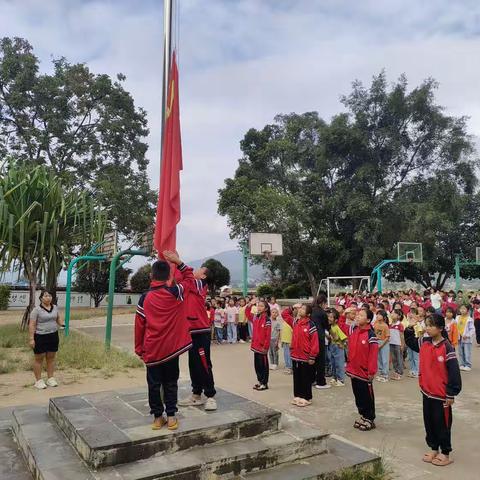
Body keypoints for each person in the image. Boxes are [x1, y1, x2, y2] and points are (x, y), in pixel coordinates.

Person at [134, 251, 194, 431]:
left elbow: (139, 326)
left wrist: (139, 348)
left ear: (151, 276)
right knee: (170, 383)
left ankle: (158, 417)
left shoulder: (145, 298)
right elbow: (190, 280)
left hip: (152, 349)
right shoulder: (176, 292)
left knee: (153, 385)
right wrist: (179, 262)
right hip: (171, 350)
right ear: (169, 275)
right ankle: (172, 416)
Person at [404, 314, 462, 467]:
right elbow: (410, 342)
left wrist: (451, 393)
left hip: (441, 395)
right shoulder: (424, 341)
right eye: (426, 324)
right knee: (429, 422)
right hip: (426, 392)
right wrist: (410, 327)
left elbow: (454, 372)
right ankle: (434, 448)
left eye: (431, 325)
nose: (427, 328)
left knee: (442, 424)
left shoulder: (446, 347)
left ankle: (445, 452)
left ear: (441, 328)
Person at [178, 266, 217, 411]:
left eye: (200, 269)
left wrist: (179, 262)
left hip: (201, 331)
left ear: (203, 276)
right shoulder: (189, 284)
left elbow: (186, 273)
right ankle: (196, 394)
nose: (195, 269)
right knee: (193, 364)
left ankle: (210, 395)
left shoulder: (201, 285)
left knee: (204, 363)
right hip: (191, 331)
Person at [346, 308, 378, 431]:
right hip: (354, 370)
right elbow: (341, 326)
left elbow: (373, 355)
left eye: (361, 315)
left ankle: (370, 418)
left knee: (366, 395)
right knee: (358, 394)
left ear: (368, 320)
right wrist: (345, 315)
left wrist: (371, 372)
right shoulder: (354, 330)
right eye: (357, 315)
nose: (358, 317)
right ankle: (363, 415)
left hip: (364, 372)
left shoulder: (371, 335)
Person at [282, 304, 319, 406]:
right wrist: (291, 307)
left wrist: (312, 356)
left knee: (305, 377)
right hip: (295, 355)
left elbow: (315, 342)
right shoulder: (295, 322)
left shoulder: (311, 325)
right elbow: (284, 314)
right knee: (297, 377)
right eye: (300, 308)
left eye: (303, 309)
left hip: (306, 356)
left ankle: (307, 397)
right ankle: (297, 395)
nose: (300, 310)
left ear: (308, 314)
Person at [29, 290, 63, 389]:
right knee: (39, 358)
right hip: (40, 336)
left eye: (49, 296)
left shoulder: (55, 307)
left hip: (53, 335)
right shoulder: (36, 310)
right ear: (41, 298)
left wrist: (62, 324)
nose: (48, 297)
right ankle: (38, 381)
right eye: (45, 296)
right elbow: (32, 324)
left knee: (51, 358)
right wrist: (31, 339)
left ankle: (50, 378)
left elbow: (58, 318)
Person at [246, 299, 272, 390]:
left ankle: (264, 383)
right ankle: (260, 381)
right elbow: (248, 315)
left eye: (261, 306)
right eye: (258, 305)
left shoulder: (267, 320)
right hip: (255, 346)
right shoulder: (256, 317)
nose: (259, 307)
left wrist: (265, 347)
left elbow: (268, 335)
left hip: (262, 348)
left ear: (265, 309)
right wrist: (249, 305)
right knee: (257, 365)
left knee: (263, 365)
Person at [311, 294, 330, 390]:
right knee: (321, 361)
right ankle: (321, 382)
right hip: (320, 337)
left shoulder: (311, 310)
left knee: (312, 359)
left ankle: (312, 379)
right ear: (322, 303)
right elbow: (326, 325)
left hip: (311, 337)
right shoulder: (322, 313)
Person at [327, 308, 347, 387]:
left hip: (338, 347)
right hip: (332, 346)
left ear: (336, 320)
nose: (329, 318)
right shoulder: (330, 327)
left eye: (331, 317)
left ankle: (340, 379)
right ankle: (334, 378)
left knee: (339, 363)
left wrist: (342, 344)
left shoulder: (336, 327)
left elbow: (344, 337)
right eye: (328, 316)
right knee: (333, 363)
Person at [456, 304, 475, 371]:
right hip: (459, 338)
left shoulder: (469, 319)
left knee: (467, 352)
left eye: (464, 309)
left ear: (467, 310)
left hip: (466, 339)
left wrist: (467, 335)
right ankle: (462, 364)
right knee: (460, 352)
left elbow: (472, 329)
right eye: (461, 309)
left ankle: (468, 365)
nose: (462, 310)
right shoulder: (457, 317)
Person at [374, 310, 390, 382]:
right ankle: (381, 373)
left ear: (383, 317)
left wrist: (381, 344)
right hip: (377, 342)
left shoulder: (385, 326)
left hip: (384, 343)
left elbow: (387, 337)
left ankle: (385, 375)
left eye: (379, 315)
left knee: (384, 359)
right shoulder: (376, 324)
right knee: (379, 359)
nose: (377, 316)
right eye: (377, 314)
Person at [389, 309, 405, 380]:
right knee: (394, 358)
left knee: (399, 358)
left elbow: (402, 335)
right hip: (391, 343)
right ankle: (396, 371)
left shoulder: (400, 325)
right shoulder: (390, 324)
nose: (392, 314)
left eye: (394, 313)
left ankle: (400, 372)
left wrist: (402, 344)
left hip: (398, 344)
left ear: (398, 316)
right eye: (391, 313)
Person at [280, 305, 293, 374]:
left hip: (289, 341)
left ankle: (290, 367)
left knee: (289, 355)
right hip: (285, 341)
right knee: (286, 354)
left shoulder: (290, 320)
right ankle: (288, 366)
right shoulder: (285, 321)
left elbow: (293, 333)